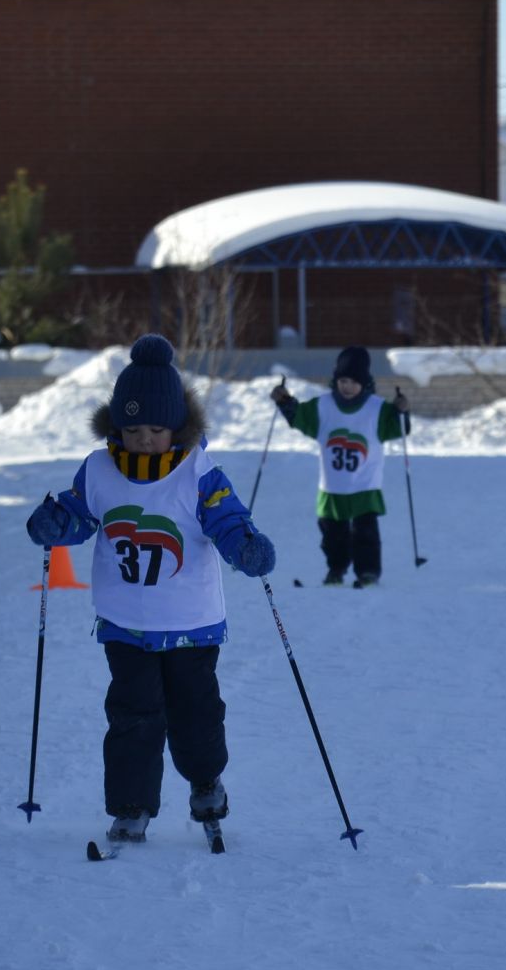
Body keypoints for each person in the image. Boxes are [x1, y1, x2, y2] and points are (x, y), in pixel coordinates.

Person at [26, 334, 277, 843]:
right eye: (132, 427)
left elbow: (228, 521)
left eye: (156, 429)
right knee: (132, 717)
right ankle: (131, 805)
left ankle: (206, 780)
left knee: (195, 714)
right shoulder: (98, 469)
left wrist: (246, 547)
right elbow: (79, 513)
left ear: (177, 428)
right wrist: (54, 523)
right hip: (125, 625)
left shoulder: (198, 472)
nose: (143, 438)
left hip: (191, 625)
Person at [270, 346, 411, 588]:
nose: (347, 386)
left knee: (365, 533)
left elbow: (398, 427)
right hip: (333, 487)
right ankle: (336, 569)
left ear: (364, 383)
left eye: (354, 382)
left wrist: (401, 410)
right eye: (343, 380)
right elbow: (300, 417)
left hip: (365, 486)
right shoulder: (323, 406)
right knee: (332, 535)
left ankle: (367, 572)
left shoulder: (376, 409)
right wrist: (285, 401)